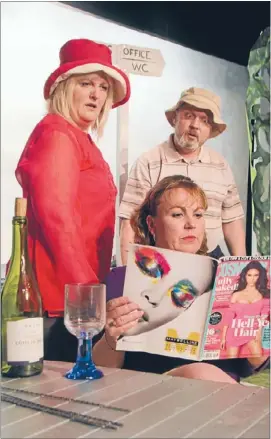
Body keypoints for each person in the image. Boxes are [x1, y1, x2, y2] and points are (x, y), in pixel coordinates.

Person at [14, 38, 131, 361]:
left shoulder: (77, 138)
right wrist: (91, 296)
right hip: (57, 300)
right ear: (65, 88)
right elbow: (57, 218)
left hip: (70, 297)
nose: (97, 94)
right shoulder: (57, 134)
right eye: (86, 83)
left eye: (104, 87)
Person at [93, 175, 266, 383]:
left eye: (198, 215)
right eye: (177, 214)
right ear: (152, 224)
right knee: (201, 374)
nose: (191, 224)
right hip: (152, 395)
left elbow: (248, 367)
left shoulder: (229, 281)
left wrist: (258, 345)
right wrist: (111, 338)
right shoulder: (119, 280)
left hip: (223, 399)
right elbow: (102, 372)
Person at [119, 87, 246, 265]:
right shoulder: (148, 162)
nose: (195, 125)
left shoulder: (221, 166)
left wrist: (241, 266)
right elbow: (130, 223)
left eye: (204, 120)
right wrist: (126, 272)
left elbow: (232, 220)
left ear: (210, 129)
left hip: (210, 257)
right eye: (189, 116)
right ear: (175, 118)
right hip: (160, 261)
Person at [221, 261, 270, 365]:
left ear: (260, 277)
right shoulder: (236, 295)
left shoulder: (264, 294)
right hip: (235, 331)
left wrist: (259, 332)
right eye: (249, 275)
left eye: (256, 275)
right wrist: (223, 338)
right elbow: (229, 317)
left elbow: (264, 316)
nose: (252, 278)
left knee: (259, 359)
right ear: (245, 276)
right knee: (230, 363)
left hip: (253, 330)